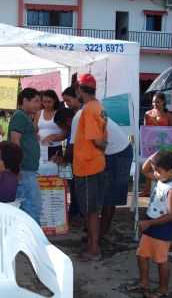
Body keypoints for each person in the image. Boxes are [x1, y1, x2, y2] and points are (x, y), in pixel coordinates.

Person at [129, 151, 172, 298]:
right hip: (150, 225)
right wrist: (152, 156)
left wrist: (149, 222)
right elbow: (145, 170)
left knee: (161, 260)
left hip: (162, 229)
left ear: (170, 172)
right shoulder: (162, 179)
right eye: (155, 170)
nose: (155, 174)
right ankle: (144, 282)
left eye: (158, 171)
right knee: (142, 255)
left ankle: (163, 289)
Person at [73, 74, 107, 261]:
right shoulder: (99, 107)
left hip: (88, 166)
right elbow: (103, 138)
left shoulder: (89, 109)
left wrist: (101, 147)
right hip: (94, 163)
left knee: (91, 211)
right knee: (92, 209)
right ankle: (93, 245)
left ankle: (94, 248)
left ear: (79, 89)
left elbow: (97, 139)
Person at [8, 88, 41, 223]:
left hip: (27, 169)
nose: (39, 105)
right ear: (25, 101)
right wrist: (18, 167)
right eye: (36, 101)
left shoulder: (24, 117)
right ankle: (33, 240)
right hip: (24, 169)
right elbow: (15, 141)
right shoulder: (20, 116)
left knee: (30, 206)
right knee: (32, 206)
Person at [100, 118, 133, 240]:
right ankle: (102, 231)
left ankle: (101, 234)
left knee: (109, 198)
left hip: (119, 153)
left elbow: (100, 144)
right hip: (115, 152)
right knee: (108, 197)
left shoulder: (89, 117)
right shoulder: (90, 114)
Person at [142, 92, 172, 197]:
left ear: (163, 102)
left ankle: (164, 190)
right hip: (150, 146)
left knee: (162, 168)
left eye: (157, 101)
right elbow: (145, 130)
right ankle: (147, 190)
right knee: (149, 167)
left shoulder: (168, 115)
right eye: (153, 102)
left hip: (164, 147)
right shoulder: (147, 114)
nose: (155, 104)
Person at [61, 86, 82, 219]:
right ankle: (75, 209)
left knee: (77, 185)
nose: (67, 104)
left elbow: (73, 142)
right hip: (76, 155)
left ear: (76, 97)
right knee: (73, 184)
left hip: (80, 156)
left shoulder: (80, 114)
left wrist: (65, 158)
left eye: (68, 101)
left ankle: (77, 211)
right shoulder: (73, 113)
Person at [34, 90, 67, 160]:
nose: (46, 104)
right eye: (44, 102)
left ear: (54, 101)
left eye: (49, 102)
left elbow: (65, 133)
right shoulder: (38, 113)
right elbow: (34, 130)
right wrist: (35, 135)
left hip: (55, 147)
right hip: (41, 147)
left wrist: (53, 138)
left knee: (54, 169)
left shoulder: (59, 114)